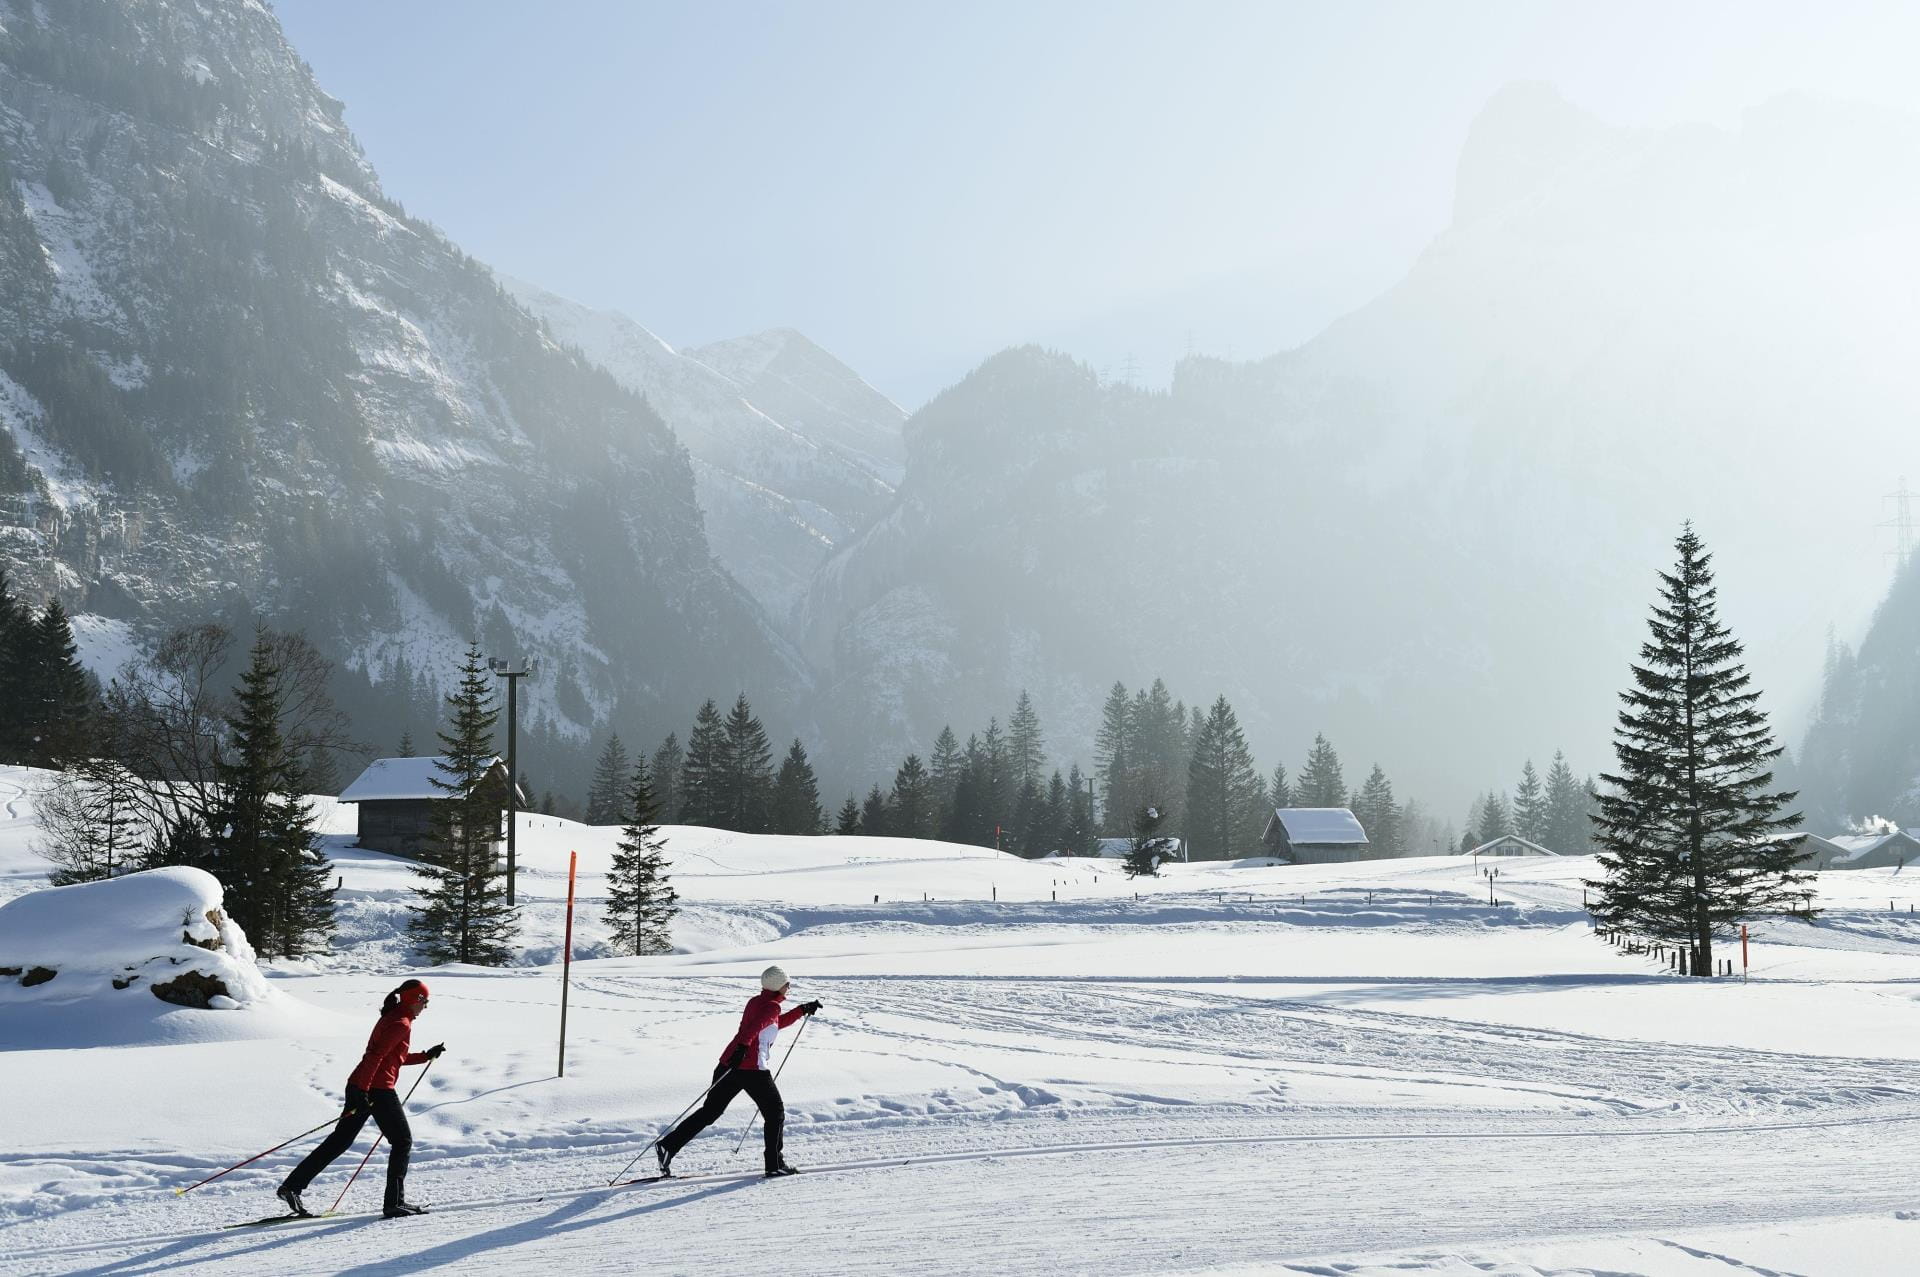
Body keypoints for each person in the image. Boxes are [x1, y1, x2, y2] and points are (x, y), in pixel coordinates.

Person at [277, 978, 445, 1219]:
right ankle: (394, 1203)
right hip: (377, 1089)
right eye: (424, 1001)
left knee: (339, 1142)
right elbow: (376, 1056)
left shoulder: (394, 1017)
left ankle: (292, 1187)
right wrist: (364, 1092)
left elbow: (392, 1057)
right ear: (415, 1000)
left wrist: (425, 1056)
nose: (425, 1007)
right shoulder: (401, 1023)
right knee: (402, 1141)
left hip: (361, 1084)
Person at [656, 965, 821, 1178]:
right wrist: (744, 1047)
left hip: (730, 1063)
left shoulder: (758, 1002)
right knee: (775, 1112)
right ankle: (774, 1164)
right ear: (779, 986)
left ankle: (668, 1146)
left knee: (710, 1111)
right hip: (751, 1067)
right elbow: (751, 1030)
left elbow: (773, 1024)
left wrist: (801, 1010)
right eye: (787, 983)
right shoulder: (771, 1006)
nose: (789, 986)